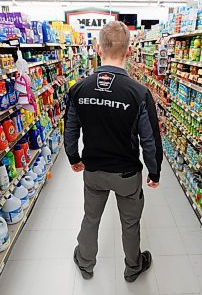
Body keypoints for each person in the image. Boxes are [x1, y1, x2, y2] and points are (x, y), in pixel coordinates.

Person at [64, 21, 163, 283]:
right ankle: (133, 268)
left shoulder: (79, 89)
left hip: (93, 171)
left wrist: (73, 157)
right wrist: (154, 172)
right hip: (127, 175)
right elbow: (150, 140)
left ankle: (85, 263)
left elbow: (70, 129)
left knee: (91, 218)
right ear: (129, 51)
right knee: (130, 224)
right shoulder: (140, 93)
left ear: (98, 49)